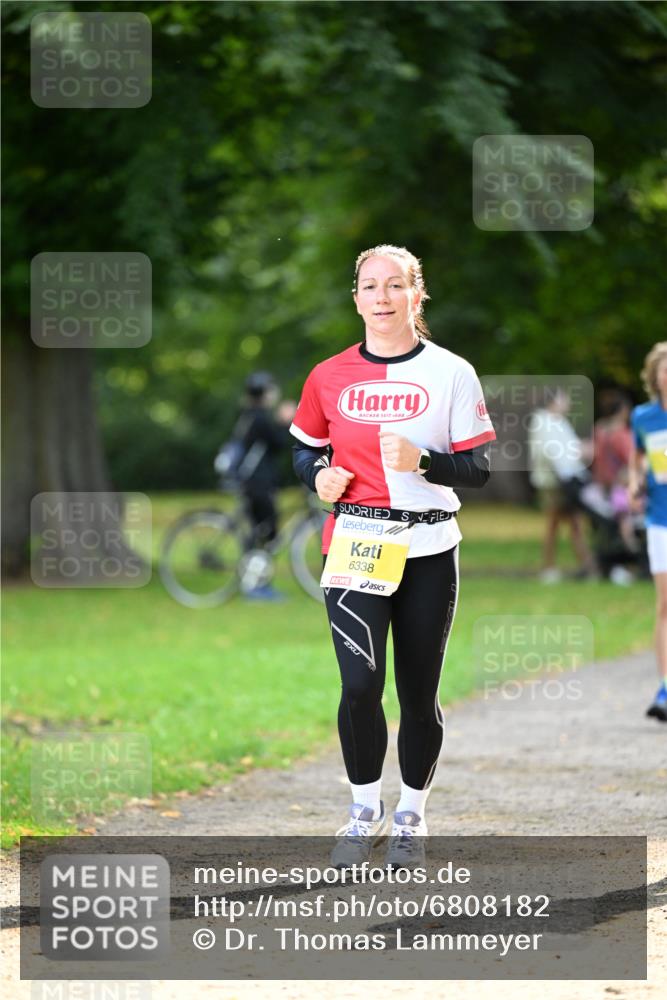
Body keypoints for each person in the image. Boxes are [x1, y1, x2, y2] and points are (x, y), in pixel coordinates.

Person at [290, 244, 496, 869]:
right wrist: (318, 475)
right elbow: (304, 451)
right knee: (359, 686)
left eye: (395, 286)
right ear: (355, 298)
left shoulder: (452, 372)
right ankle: (361, 811)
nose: (382, 298)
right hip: (358, 540)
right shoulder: (327, 375)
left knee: (417, 692)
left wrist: (425, 461)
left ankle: (411, 814)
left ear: (417, 294)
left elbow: (479, 469)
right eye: (370, 287)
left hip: (430, 544)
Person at [629, 342, 667, 722]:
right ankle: (665, 687)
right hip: (660, 519)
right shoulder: (644, 418)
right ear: (655, 376)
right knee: (665, 604)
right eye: (664, 370)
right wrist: (635, 484)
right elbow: (637, 463)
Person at [234, 371, 296, 601]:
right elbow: (279, 441)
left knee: (260, 532)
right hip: (256, 483)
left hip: (251, 481)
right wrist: (284, 420)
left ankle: (255, 582)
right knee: (268, 533)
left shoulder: (249, 415)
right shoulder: (260, 417)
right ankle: (255, 586)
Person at [527, 387, 598, 583]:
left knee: (567, 523)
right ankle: (558, 567)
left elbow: (568, 448)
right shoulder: (542, 422)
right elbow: (552, 451)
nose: (567, 403)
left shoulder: (559, 422)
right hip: (552, 483)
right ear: (553, 401)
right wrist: (579, 451)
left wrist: (579, 450)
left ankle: (586, 566)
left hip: (564, 481)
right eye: (563, 399)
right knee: (559, 523)